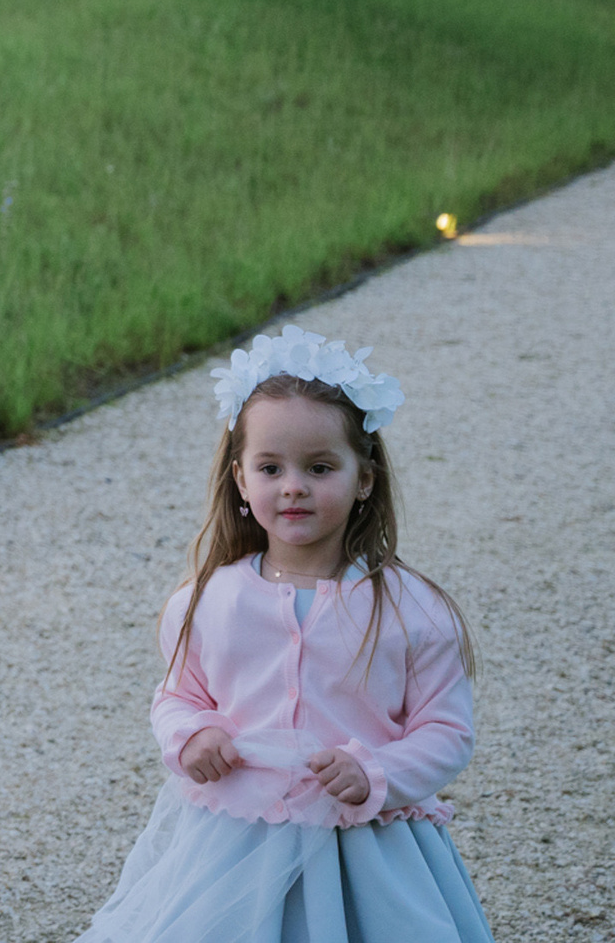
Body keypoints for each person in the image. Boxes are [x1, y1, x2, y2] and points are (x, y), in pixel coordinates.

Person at [76, 326, 491, 943]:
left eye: (320, 467)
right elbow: (177, 697)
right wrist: (191, 735)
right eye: (271, 467)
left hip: (368, 850)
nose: (293, 485)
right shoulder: (208, 601)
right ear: (241, 480)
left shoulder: (411, 611)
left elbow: (447, 730)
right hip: (236, 843)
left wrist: (379, 771)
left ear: (365, 478)